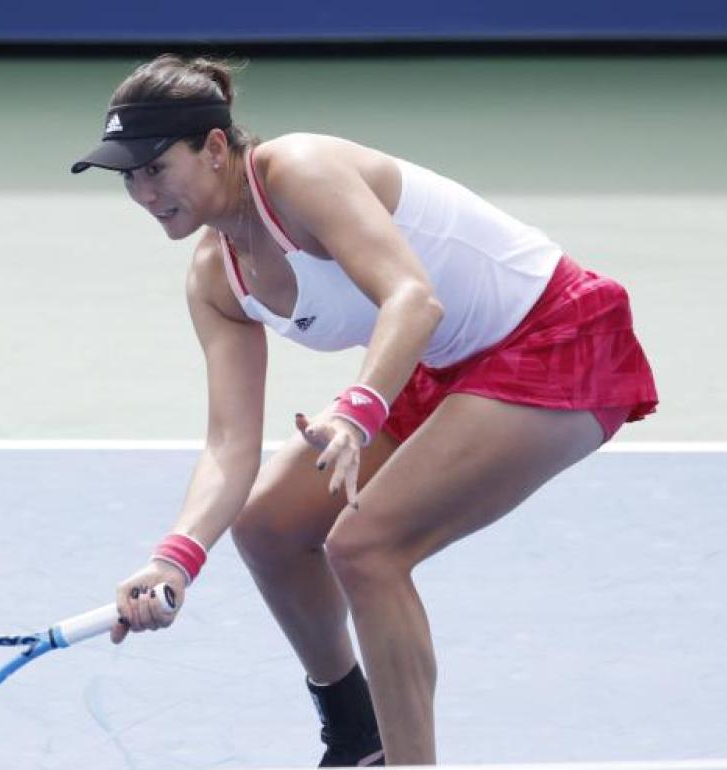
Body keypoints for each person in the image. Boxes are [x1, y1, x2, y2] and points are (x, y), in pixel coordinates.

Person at [71, 54, 658, 767]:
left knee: (367, 548)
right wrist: (174, 561)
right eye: (127, 176)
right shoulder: (213, 277)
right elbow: (229, 446)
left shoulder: (299, 172)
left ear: (216, 147)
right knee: (268, 527)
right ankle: (357, 738)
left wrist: (356, 413)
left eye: (154, 167)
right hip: (433, 365)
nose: (142, 191)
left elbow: (413, 297)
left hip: (553, 336)